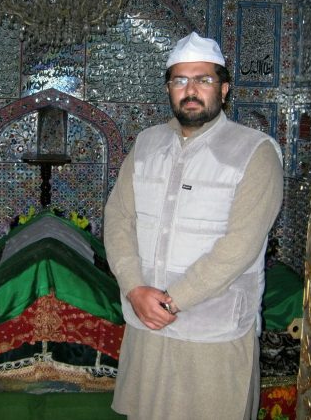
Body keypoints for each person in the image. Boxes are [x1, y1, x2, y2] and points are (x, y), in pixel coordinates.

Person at [104, 32, 284, 419]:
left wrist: (172, 301)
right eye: (180, 80)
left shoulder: (255, 152)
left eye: (203, 80)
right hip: (147, 325)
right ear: (169, 88)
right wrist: (135, 288)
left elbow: (241, 246)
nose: (191, 90)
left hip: (212, 333)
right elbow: (119, 219)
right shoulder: (147, 143)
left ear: (224, 88)